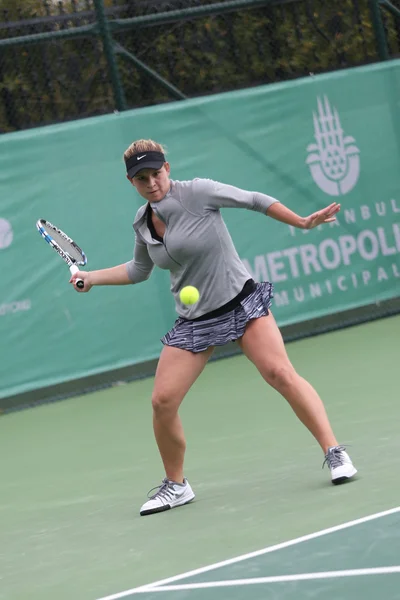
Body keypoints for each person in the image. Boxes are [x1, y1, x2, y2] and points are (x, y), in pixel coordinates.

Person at [70, 139, 357, 516]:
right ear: (132, 183)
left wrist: (301, 221)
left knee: (279, 373)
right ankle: (176, 485)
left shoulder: (199, 193)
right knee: (162, 401)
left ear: (167, 168)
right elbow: (139, 270)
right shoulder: (141, 222)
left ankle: (334, 452)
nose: (152, 182)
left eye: (156, 173)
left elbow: (254, 199)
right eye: (142, 178)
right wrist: (91, 278)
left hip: (240, 302)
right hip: (195, 320)